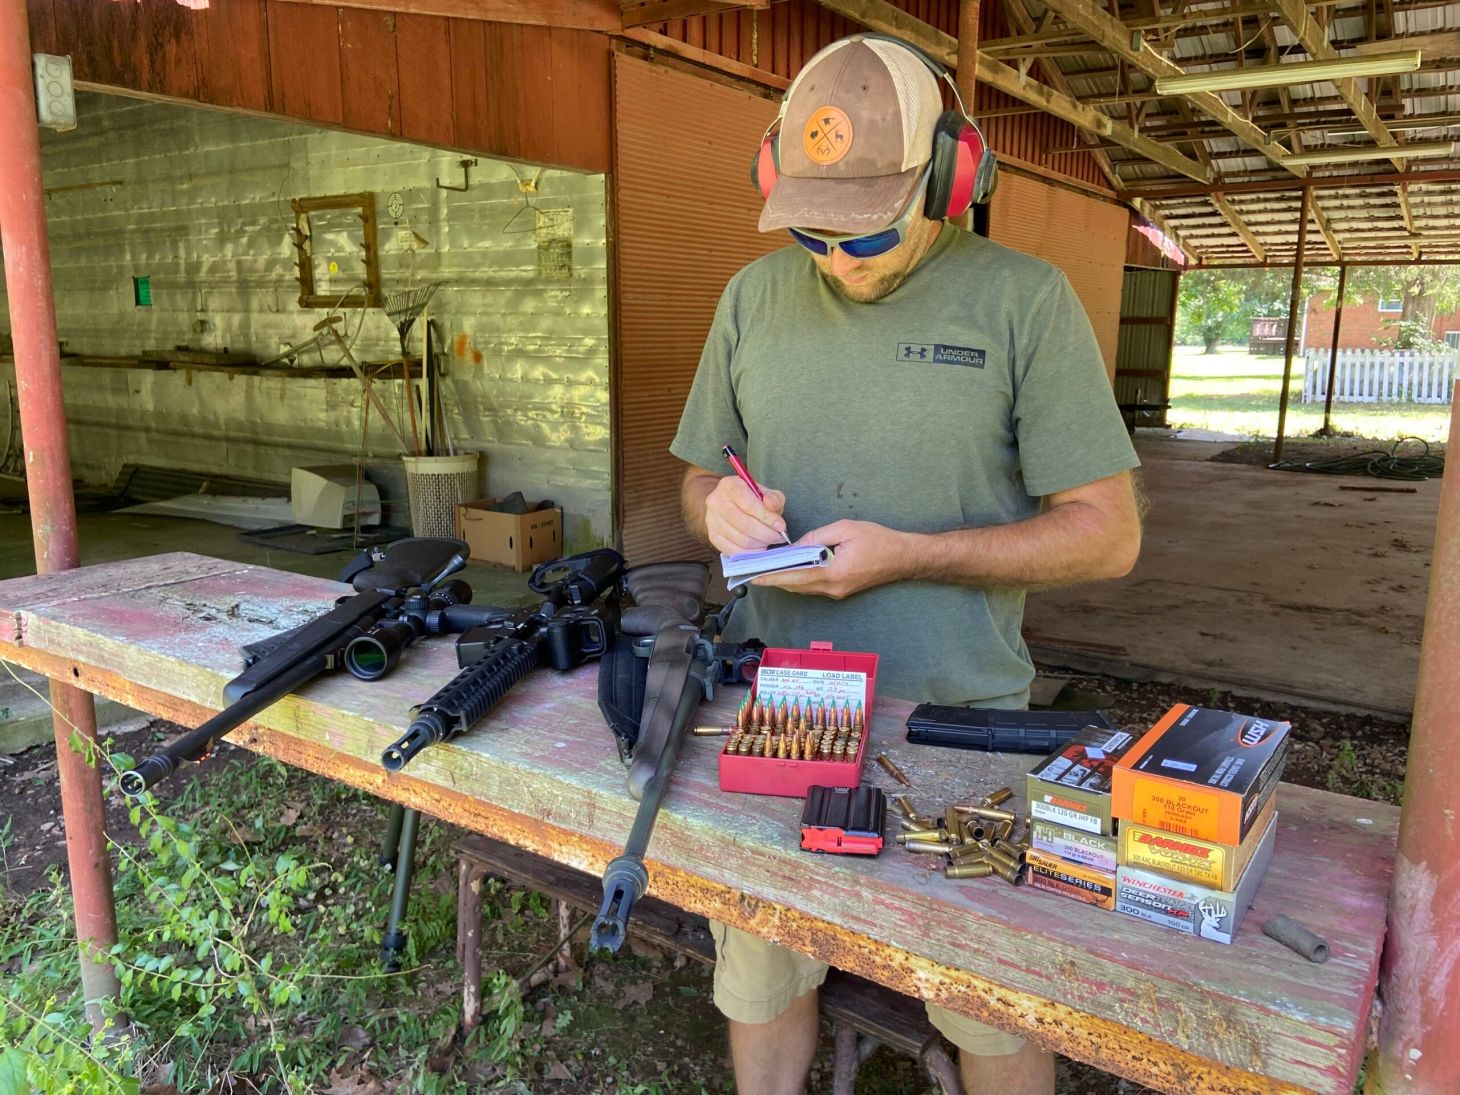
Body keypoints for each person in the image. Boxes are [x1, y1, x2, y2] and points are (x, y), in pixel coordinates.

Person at [669, 32, 1143, 1095]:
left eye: (869, 232)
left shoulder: (1025, 302)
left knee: (989, 1002)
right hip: (782, 697)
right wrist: (718, 515)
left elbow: (1106, 535)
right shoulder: (751, 298)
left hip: (959, 721)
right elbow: (693, 482)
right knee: (763, 963)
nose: (837, 260)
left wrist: (907, 557)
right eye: (811, 231)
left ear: (949, 177)